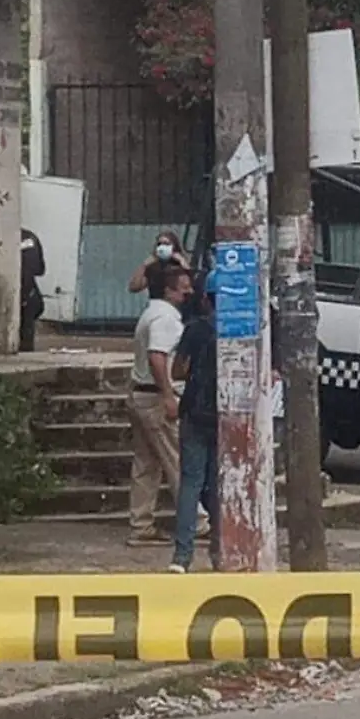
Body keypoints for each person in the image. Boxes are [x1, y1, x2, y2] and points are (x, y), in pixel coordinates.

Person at [126, 265, 191, 547]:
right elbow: (157, 356)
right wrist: (167, 395)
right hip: (155, 397)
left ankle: (141, 523)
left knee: (146, 464)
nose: (188, 292)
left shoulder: (151, 313)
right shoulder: (165, 318)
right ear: (169, 290)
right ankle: (196, 521)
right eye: (183, 287)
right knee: (177, 459)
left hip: (140, 394)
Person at [169, 283, 222, 574]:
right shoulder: (240, 332)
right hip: (224, 416)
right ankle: (220, 551)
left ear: (206, 299)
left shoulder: (195, 330)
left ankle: (182, 557)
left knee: (190, 483)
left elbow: (177, 369)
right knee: (217, 485)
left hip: (193, 413)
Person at [128, 232, 200, 321]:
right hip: (158, 311)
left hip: (179, 312)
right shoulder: (153, 269)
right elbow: (134, 287)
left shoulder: (180, 267)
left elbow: (193, 288)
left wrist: (182, 262)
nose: (162, 247)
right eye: (159, 244)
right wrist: (144, 265)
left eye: (166, 244)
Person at [18, 228, 45, 353]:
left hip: (20, 292)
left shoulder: (3, 236)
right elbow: (40, 269)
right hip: (29, 294)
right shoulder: (30, 236)